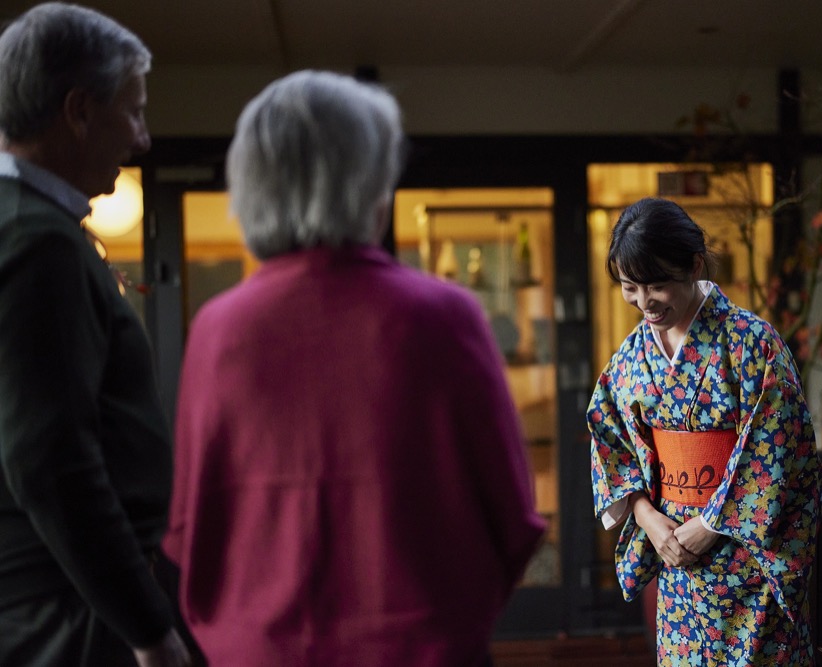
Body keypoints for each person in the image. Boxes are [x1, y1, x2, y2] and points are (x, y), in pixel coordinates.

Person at [162, 69, 546, 667]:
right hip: (423, 648)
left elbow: (190, 527)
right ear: (369, 181)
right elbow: (514, 520)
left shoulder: (217, 330)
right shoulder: (445, 316)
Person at [0, 3, 192, 666]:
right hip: (70, 610)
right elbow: (49, 459)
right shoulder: (36, 242)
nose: (142, 138)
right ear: (79, 110)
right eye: (133, 111)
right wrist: (147, 626)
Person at [588, 197, 822, 666]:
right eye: (630, 287)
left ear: (694, 265)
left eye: (657, 285)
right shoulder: (631, 356)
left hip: (747, 557)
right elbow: (609, 436)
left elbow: (779, 445)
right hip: (674, 554)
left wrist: (712, 523)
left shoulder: (751, 342)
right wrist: (648, 518)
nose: (644, 303)